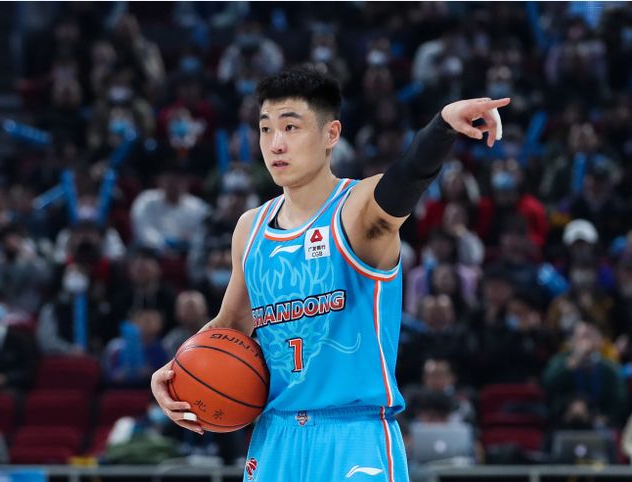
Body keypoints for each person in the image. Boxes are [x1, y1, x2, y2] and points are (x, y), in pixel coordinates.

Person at [151, 66, 509, 481]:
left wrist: (441, 127)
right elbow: (230, 325)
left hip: (353, 434)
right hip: (275, 437)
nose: (276, 143)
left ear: (331, 134)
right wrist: (176, 372)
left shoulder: (356, 208)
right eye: (266, 129)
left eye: (291, 127)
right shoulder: (250, 228)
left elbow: (405, 180)